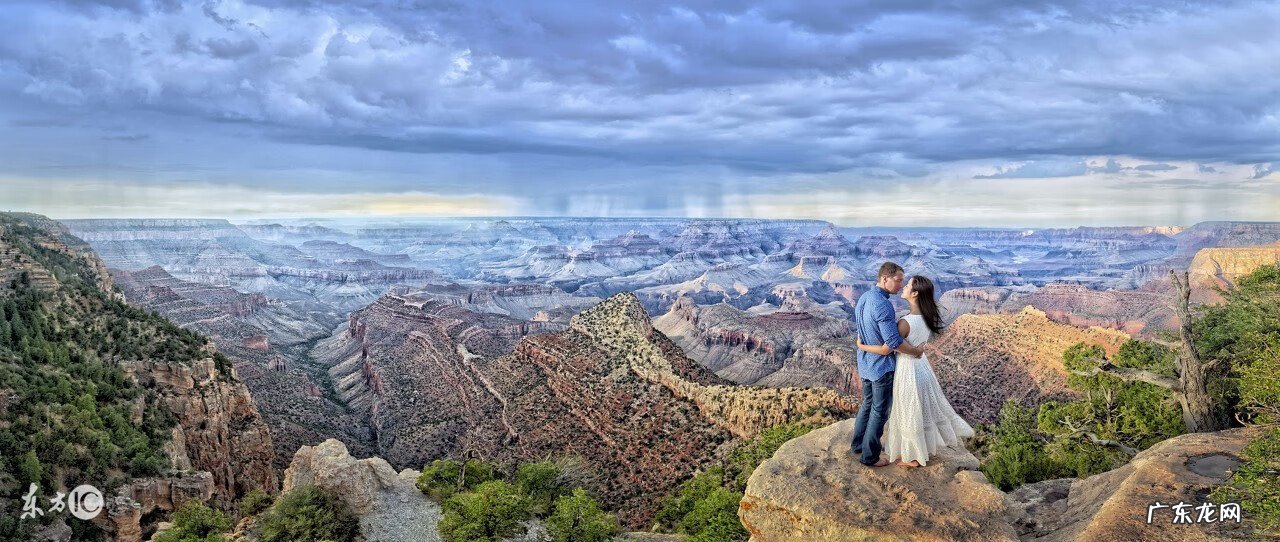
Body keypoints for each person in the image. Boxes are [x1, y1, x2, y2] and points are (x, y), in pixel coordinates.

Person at [857, 275, 974, 467]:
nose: (903, 287)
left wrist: (863, 347)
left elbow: (888, 348)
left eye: (908, 285)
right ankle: (917, 452)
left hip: (907, 369)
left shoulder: (905, 322)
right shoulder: (926, 317)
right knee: (918, 408)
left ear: (915, 293)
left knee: (908, 410)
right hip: (921, 367)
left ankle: (912, 458)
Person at [849, 262, 924, 467]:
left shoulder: (864, 297)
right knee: (879, 411)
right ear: (885, 278)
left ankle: (858, 445)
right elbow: (893, 343)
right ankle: (870, 456)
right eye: (898, 280)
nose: (901, 285)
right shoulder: (883, 304)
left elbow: (863, 331)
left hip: (865, 364)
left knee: (867, 405)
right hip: (881, 368)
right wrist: (916, 351)